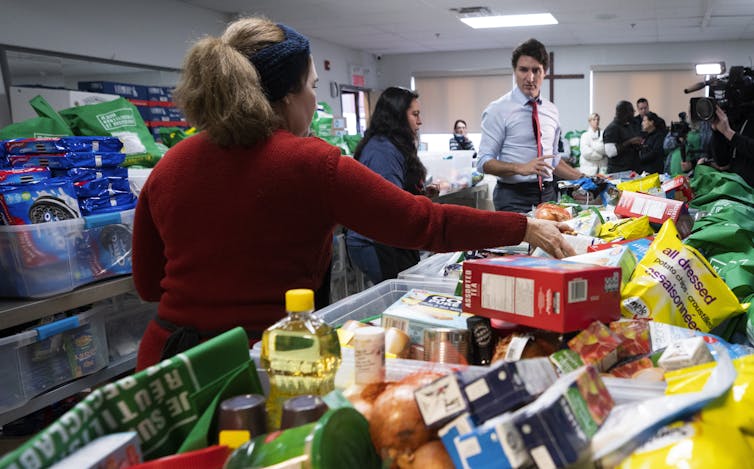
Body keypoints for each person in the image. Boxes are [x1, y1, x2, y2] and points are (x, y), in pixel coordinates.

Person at [131, 17, 577, 370]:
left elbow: (149, 285)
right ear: (287, 97)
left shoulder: (168, 166)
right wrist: (523, 227)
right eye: (310, 86)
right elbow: (425, 223)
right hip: (265, 364)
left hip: (166, 364)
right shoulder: (308, 162)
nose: (313, 99)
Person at [477, 38, 583, 213]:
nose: (530, 78)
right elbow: (483, 162)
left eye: (536, 70)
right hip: (513, 197)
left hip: (548, 195)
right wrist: (520, 167)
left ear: (545, 72)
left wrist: (583, 177)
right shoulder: (497, 110)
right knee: (518, 242)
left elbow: (553, 160)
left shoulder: (551, 110)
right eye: (523, 70)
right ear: (514, 71)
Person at [345, 87, 431, 284]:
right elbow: (389, 204)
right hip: (375, 242)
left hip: (389, 237)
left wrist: (421, 193)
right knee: (396, 297)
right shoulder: (382, 150)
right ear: (398, 116)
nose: (420, 121)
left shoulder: (394, 145)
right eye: (415, 115)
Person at [709, 104, 754, 187]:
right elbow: (722, 163)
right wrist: (717, 131)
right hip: (735, 189)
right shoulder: (738, 115)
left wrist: (728, 132)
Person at [604, 100, 643, 174]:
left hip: (632, 170)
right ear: (624, 113)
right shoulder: (612, 128)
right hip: (618, 173)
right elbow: (610, 152)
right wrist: (630, 142)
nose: (634, 112)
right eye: (631, 111)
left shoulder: (629, 126)